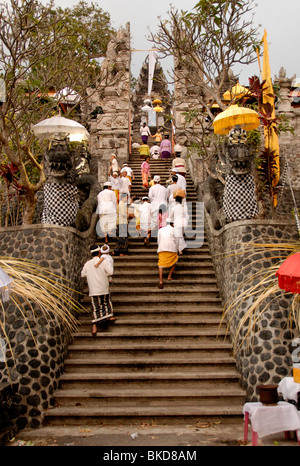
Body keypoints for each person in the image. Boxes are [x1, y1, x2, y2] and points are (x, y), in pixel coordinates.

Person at [81, 244, 115, 337]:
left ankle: (94, 326)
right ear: (100, 252)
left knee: (95, 308)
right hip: (103, 287)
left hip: (93, 289)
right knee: (105, 303)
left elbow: (83, 274)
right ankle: (109, 317)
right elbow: (110, 272)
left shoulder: (87, 264)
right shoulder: (103, 262)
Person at [157, 220, 178, 289]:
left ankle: (160, 281)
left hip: (162, 248)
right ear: (172, 224)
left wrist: (160, 247)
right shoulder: (174, 230)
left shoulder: (160, 230)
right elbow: (177, 241)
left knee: (160, 265)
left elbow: (158, 241)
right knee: (175, 261)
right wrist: (177, 249)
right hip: (171, 249)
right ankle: (169, 276)